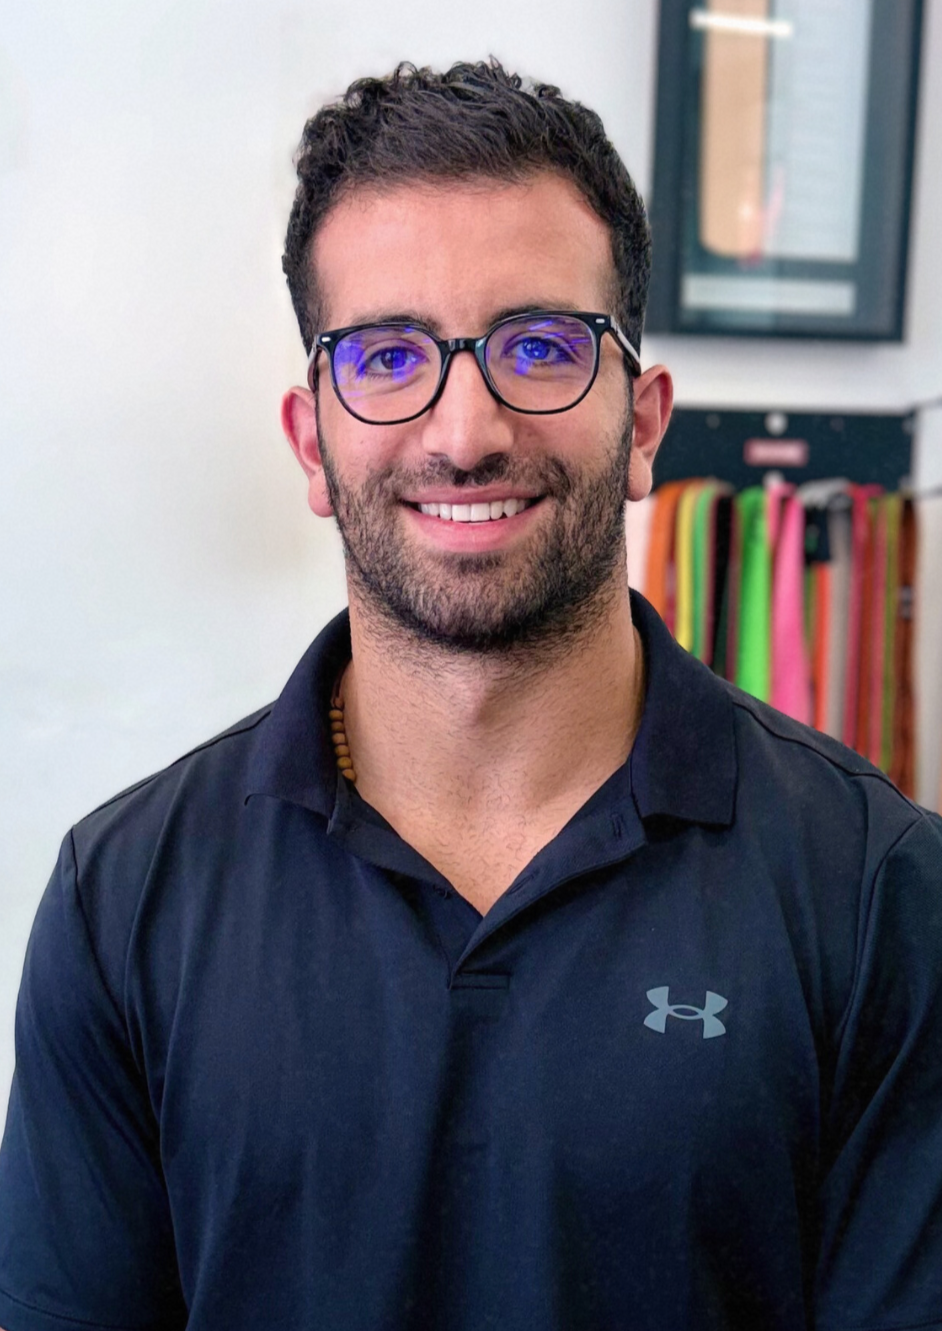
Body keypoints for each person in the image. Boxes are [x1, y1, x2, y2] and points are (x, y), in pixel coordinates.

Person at [1, 58, 941, 1331]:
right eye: (387, 355)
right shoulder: (123, 901)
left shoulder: (877, 889)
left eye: (541, 345)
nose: (463, 429)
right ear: (312, 440)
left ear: (646, 420)